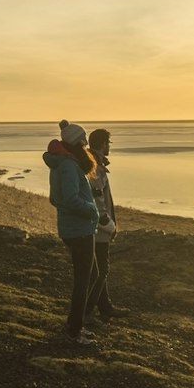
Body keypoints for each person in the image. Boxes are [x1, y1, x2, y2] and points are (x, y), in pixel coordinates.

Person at [43, 120, 101, 344]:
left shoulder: (65, 163)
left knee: (91, 276)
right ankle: (74, 331)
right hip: (79, 230)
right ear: (77, 143)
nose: (86, 147)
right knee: (84, 280)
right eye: (84, 142)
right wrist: (92, 210)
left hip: (76, 228)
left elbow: (55, 198)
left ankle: (75, 324)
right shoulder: (67, 165)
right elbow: (69, 198)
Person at [86, 127, 120, 321]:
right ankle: (88, 311)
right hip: (98, 229)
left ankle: (104, 306)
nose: (110, 147)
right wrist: (109, 225)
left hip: (97, 227)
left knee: (99, 269)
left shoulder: (95, 164)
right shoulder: (95, 167)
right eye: (108, 143)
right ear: (102, 144)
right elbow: (98, 201)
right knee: (101, 270)